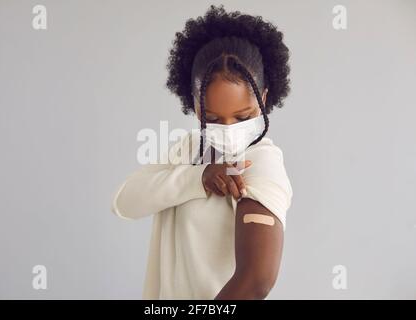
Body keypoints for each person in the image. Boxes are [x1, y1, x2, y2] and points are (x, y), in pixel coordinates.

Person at [111, 4, 293, 300]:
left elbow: (256, 280)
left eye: (243, 116)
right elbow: (124, 202)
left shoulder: (260, 162)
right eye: (214, 118)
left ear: (264, 98)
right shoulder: (185, 151)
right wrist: (199, 179)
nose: (229, 128)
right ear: (195, 105)